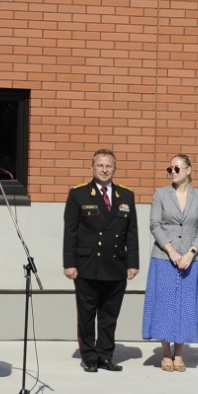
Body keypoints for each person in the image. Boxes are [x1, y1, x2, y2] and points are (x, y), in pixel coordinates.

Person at [63, 149, 140, 372]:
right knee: (87, 315)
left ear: (114, 169)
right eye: (100, 166)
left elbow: (132, 232)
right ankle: (88, 356)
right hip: (87, 264)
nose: (104, 170)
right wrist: (69, 263)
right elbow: (70, 231)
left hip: (116, 264)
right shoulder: (78, 194)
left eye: (108, 166)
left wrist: (133, 263)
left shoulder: (126, 195)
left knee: (109, 315)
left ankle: (105, 355)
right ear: (92, 168)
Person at [144, 154, 198, 371]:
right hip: (164, 257)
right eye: (170, 169)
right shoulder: (161, 194)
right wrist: (170, 250)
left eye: (177, 168)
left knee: (184, 306)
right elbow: (155, 224)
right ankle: (165, 353)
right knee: (164, 305)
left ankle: (179, 353)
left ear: (189, 170)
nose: (173, 172)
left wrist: (191, 252)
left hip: (191, 259)